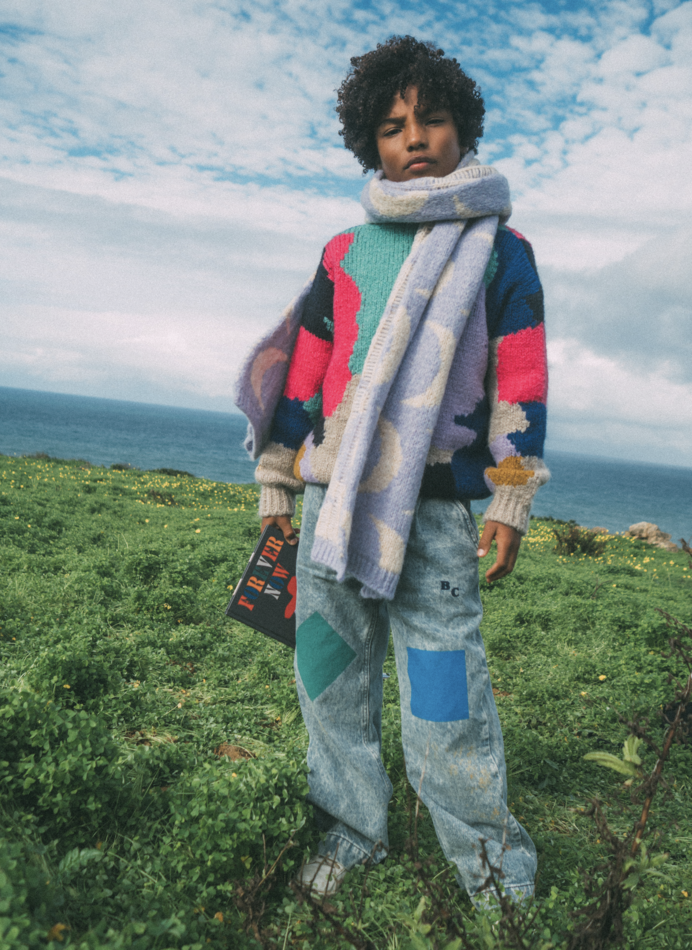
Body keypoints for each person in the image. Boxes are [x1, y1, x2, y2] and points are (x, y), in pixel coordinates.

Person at [235, 35, 549, 905]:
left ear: (463, 128)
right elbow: (304, 376)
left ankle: (489, 865)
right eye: (391, 126)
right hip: (330, 502)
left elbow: (520, 385)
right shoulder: (344, 251)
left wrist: (510, 500)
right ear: (368, 143)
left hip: (438, 513)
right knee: (329, 676)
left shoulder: (502, 251)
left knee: (447, 693)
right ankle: (349, 827)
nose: (414, 138)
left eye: (432, 119)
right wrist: (276, 480)